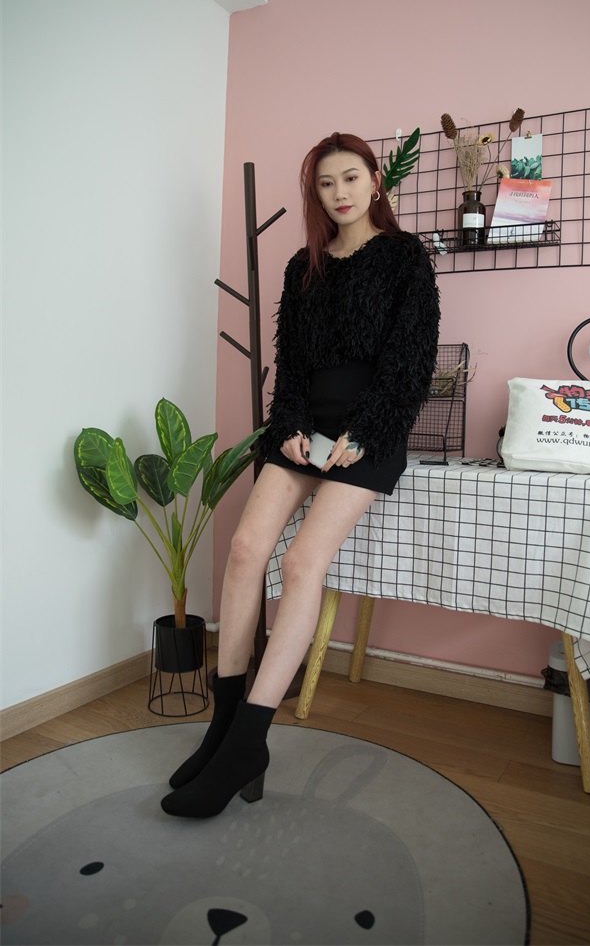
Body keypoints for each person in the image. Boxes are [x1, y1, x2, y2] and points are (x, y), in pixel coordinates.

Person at [161, 131, 440, 818]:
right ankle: (223, 725)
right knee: (244, 551)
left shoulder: (406, 257)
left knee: (300, 565)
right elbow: (290, 365)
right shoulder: (302, 265)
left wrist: (364, 432)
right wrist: (285, 424)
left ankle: (249, 739)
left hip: (368, 436)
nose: (340, 193)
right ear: (314, 192)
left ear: (376, 182)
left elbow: (411, 362)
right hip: (303, 429)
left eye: (351, 178)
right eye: (326, 182)